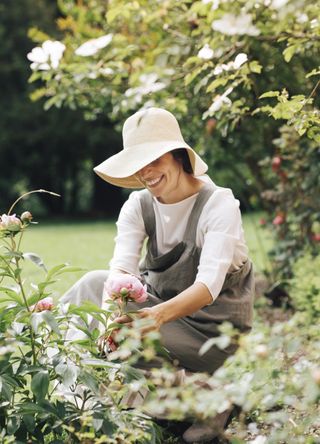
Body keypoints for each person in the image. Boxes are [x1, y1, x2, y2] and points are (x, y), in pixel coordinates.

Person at [62, 107, 254, 442]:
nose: (146, 171)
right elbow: (120, 269)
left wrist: (154, 317)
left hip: (212, 335)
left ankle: (206, 400)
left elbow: (208, 285)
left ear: (178, 155)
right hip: (161, 324)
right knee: (94, 284)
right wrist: (112, 321)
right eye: (138, 162)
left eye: (154, 158)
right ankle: (74, 390)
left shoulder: (219, 205)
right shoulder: (138, 206)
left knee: (129, 349)